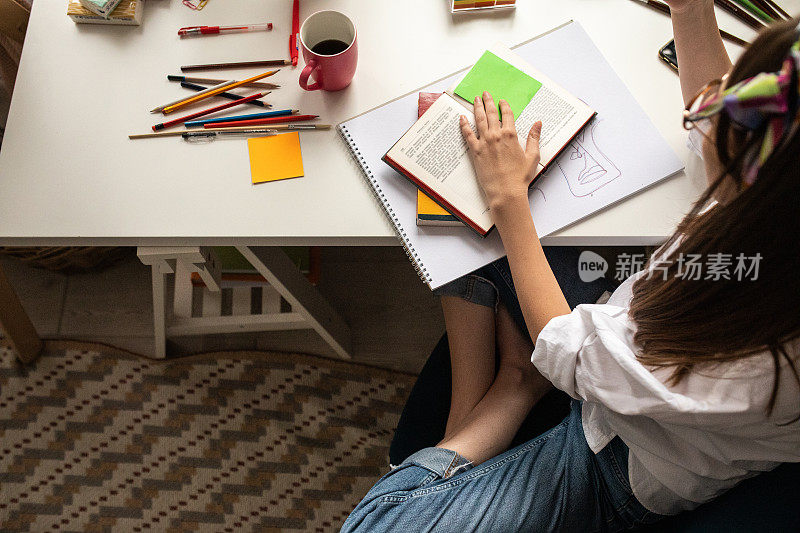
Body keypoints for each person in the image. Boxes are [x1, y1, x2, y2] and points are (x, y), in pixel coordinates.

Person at [342, 1, 800, 531]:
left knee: (374, 525)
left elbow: (575, 357)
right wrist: (691, 6)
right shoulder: (778, 217)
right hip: (628, 329)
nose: (705, 110)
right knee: (449, 209)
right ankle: (485, 398)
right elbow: (721, 134)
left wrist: (507, 196)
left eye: (725, 116)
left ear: (757, 184)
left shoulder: (750, 359)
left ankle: (512, 388)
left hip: (620, 452)